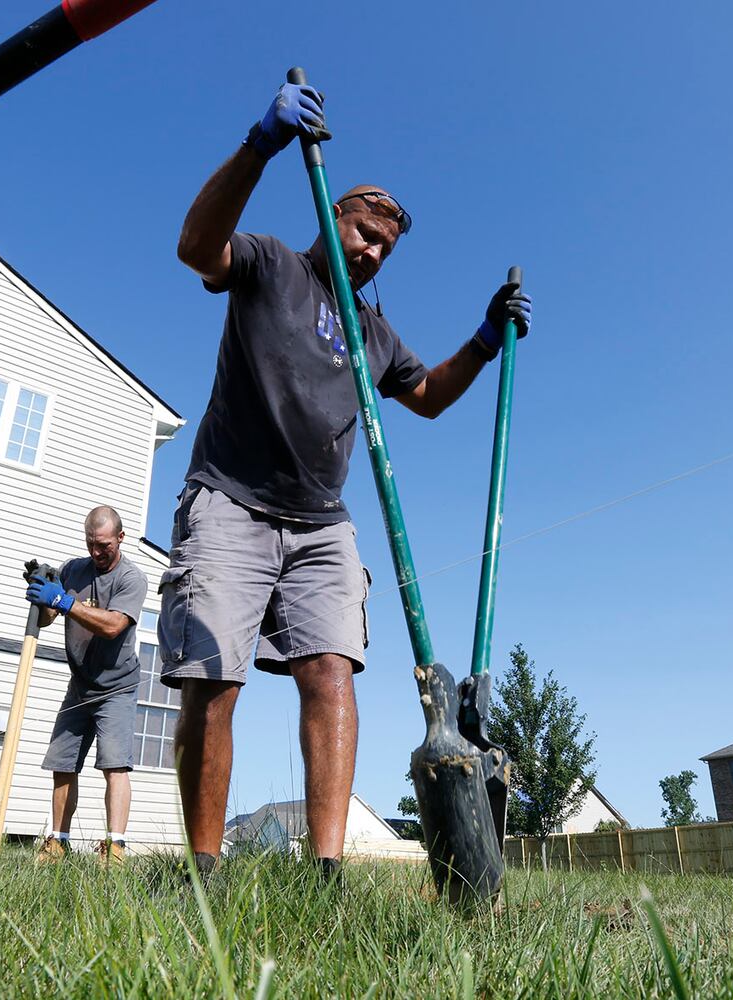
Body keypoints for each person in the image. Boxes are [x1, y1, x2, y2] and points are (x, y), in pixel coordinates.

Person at [164, 80, 533, 880]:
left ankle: (325, 875)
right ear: (334, 215)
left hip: (321, 520)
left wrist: (483, 337)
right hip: (229, 498)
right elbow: (198, 247)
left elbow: (428, 398)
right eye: (364, 233)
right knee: (213, 679)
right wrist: (259, 144)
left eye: (384, 249)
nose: (370, 251)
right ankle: (201, 869)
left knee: (331, 672)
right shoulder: (269, 264)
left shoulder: (375, 330)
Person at [26, 505, 146, 863]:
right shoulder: (74, 569)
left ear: (120, 538)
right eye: (91, 544)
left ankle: (115, 847)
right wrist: (42, 591)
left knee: (114, 765)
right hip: (79, 685)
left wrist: (62, 601)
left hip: (117, 687)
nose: (97, 552)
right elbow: (48, 618)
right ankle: (58, 843)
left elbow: (112, 626)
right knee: (63, 763)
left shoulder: (131, 578)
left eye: (104, 545)